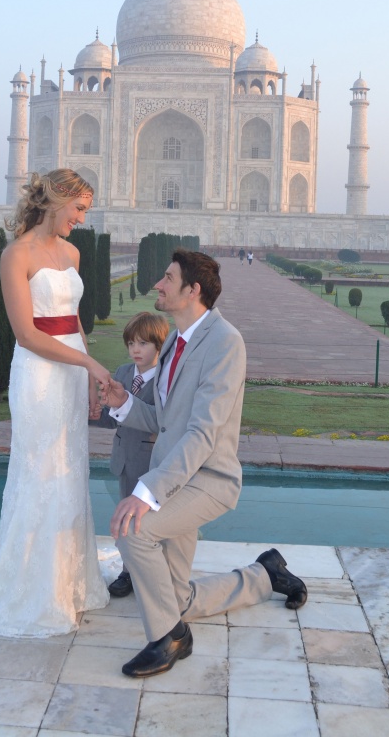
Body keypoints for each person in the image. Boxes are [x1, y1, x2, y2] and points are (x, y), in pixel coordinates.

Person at [100, 249, 307, 677]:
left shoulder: (225, 342)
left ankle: (169, 639)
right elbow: (163, 420)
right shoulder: (177, 339)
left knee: (131, 529)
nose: (158, 284)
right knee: (177, 602)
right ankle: (265, 575)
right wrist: (124, 405)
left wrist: (147, 491)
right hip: (180, 479)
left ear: (193, 290)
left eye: (168, 278)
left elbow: (202, 433)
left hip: (207, 480)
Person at [0, 169, 111, 638]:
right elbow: (27, 334)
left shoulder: (71, 252)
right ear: (54, 201)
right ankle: (33, 588)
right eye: (79, 209)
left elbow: (73, 321)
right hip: (40, 376)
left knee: (70, 469)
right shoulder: (16, 255)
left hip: (70, 370)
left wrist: (88, 367)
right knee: (40, 470)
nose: (82, 219)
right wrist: (86, 366)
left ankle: (69, 584)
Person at [98, 311, 170, 598]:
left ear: (159, 345)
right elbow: (112, 417)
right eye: (131, 344)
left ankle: (153, 573)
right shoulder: (124, 373)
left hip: (151, 463)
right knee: (126, 521)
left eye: (143, 344)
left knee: (151, 524)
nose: (135, 350)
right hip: (124, 460)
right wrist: (91, 412)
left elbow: (160, 422)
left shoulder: (166, 380)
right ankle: (128, 571)